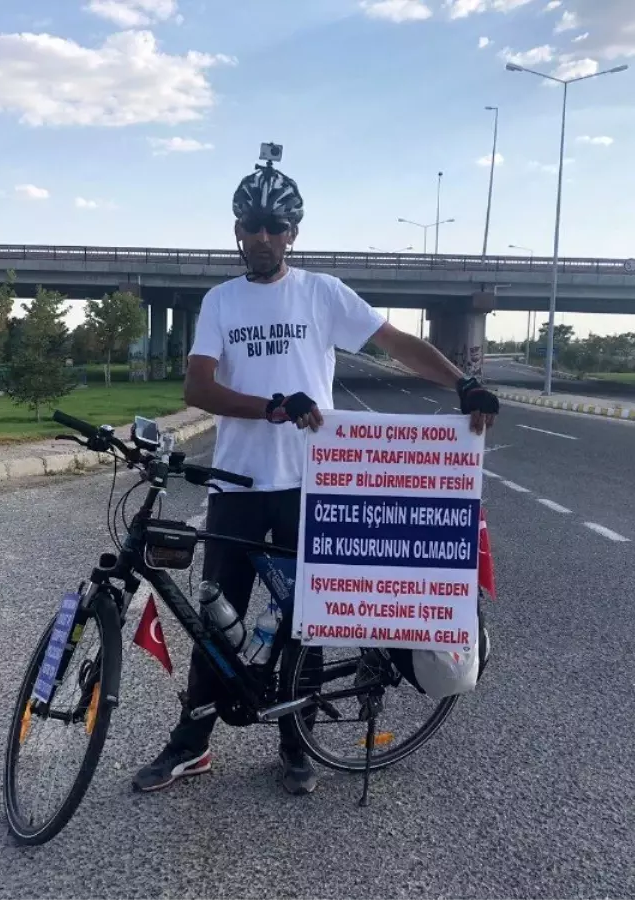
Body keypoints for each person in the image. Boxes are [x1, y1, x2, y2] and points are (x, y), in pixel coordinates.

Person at [131, 154, 500, 796]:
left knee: (307, 622)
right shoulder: (222, 300)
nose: (262, 237)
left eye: (274, 226)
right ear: (238, 231)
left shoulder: (321, 293)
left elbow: (397, 343)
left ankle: (294, 743)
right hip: (237, 486)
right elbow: (199, 387)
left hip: (310, 486)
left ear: (292, 233)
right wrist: (271, 407)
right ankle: (191, 745)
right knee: (217, 621)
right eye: (251, 225)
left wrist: (463, 381)